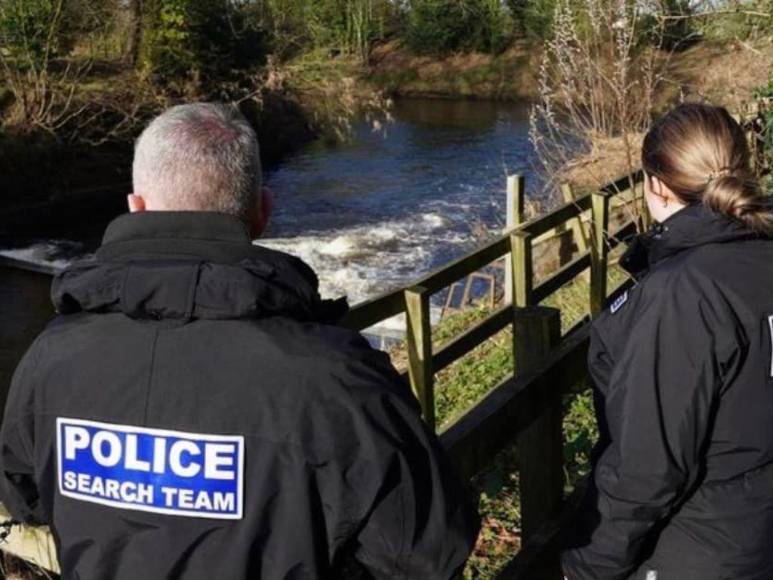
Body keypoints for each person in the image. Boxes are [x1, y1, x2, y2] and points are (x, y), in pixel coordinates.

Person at [0, 103, 479, 579]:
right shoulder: (335, 376)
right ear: (261, 213)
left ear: (136, 206)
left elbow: (23, 496)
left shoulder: (51, 356)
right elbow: (428, 549)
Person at [562, 103, 773, 580]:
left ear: (655, 183)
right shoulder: (754, 262)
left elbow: (648, 465)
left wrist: (590, 566)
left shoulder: (683, 294)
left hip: (696, 548)